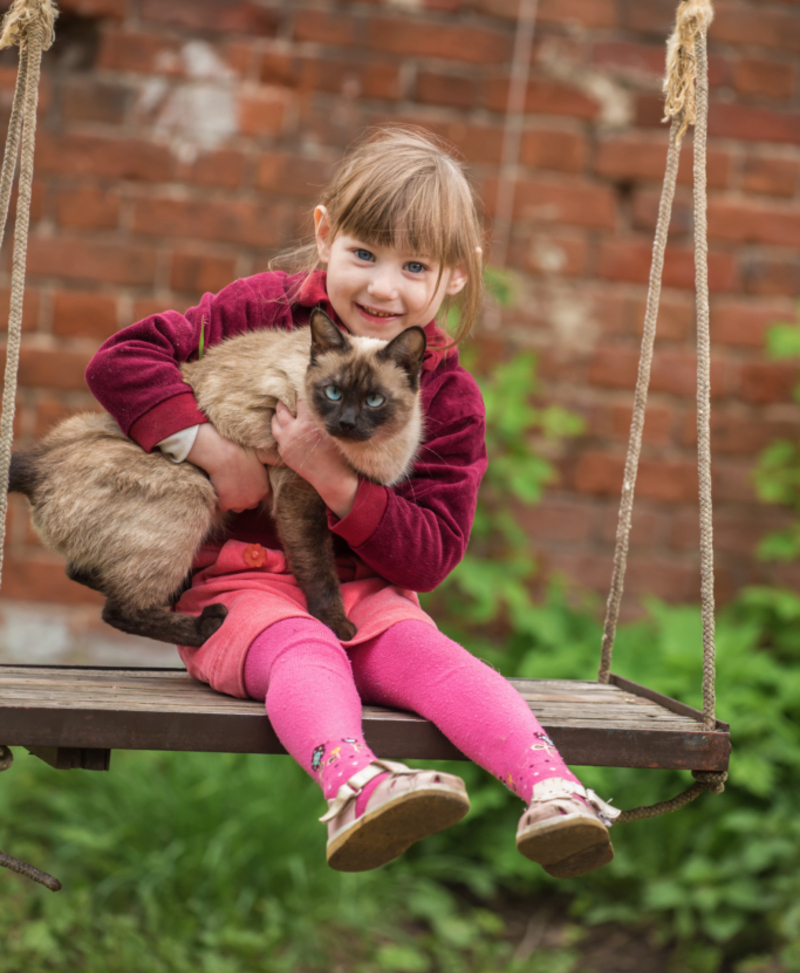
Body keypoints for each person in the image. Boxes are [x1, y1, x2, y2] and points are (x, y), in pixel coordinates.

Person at [85, 127, 618, 877]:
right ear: (325, 234)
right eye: (363, 252)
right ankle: (356, 786)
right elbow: (122, 359)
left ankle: (555, 790)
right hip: (236, 589)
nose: (381, 287)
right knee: (301, 645)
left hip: (365, 592)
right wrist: (211, 450)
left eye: (414, 266)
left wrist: (331, 478)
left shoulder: (448, 396)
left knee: (430, 653)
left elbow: (430, 555)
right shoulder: (255, 310)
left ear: (455, 279)